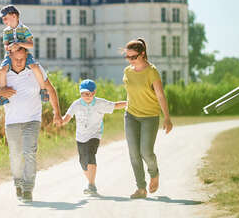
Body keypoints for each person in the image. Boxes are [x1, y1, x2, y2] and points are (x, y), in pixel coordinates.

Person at [0, 47, 62, 203]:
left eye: (22, 59)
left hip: (32, 119)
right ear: (10, 57)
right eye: (16, 59)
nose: (19, 62)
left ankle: (28, 188)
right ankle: (18, 182)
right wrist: (2, 92)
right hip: (12, 121)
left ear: (27, 57)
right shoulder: (3, 71)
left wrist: (57, 113)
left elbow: (50, 89)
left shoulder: (35, 68)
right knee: (15, 155)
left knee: (29, 152)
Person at [122, 38, 173, 199]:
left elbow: (160, 95)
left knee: (146, 152)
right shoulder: (127, 72)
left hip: (150, 116)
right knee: (133, 153)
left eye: (133, 57)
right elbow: (131, 93)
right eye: (127, 57)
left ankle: (154, 173)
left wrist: (167, 118)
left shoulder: (152, 71)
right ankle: (141, 188)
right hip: (131, 116)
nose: (130, 60)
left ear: (142, 54)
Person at [59, 79, 127, 195]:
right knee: (83, 162)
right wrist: (61, 121)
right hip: (80, 136)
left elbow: (115, 105)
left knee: (91, 155)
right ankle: (91, 183)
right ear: (80, 93)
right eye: (84, 93)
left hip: (95, 134)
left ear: (94, 93)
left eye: (89, 93)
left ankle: (91, 185)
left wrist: (128, 102)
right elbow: (67, 117)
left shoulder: (100, 103)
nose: (86, 96)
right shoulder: (77, 104)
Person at [0, 5, 49, 106]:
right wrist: (10, 47)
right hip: (10, 56)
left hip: (25, 55)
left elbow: (31, 44)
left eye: (5, 18)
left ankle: (43, 90)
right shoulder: (6, 31)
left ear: (14, 16)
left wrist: (18, 44)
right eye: (3, 19)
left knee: (35, 68)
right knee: (2, 71)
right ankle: (3, 97)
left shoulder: (24, 29)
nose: (4, 21)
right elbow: (5, 45)